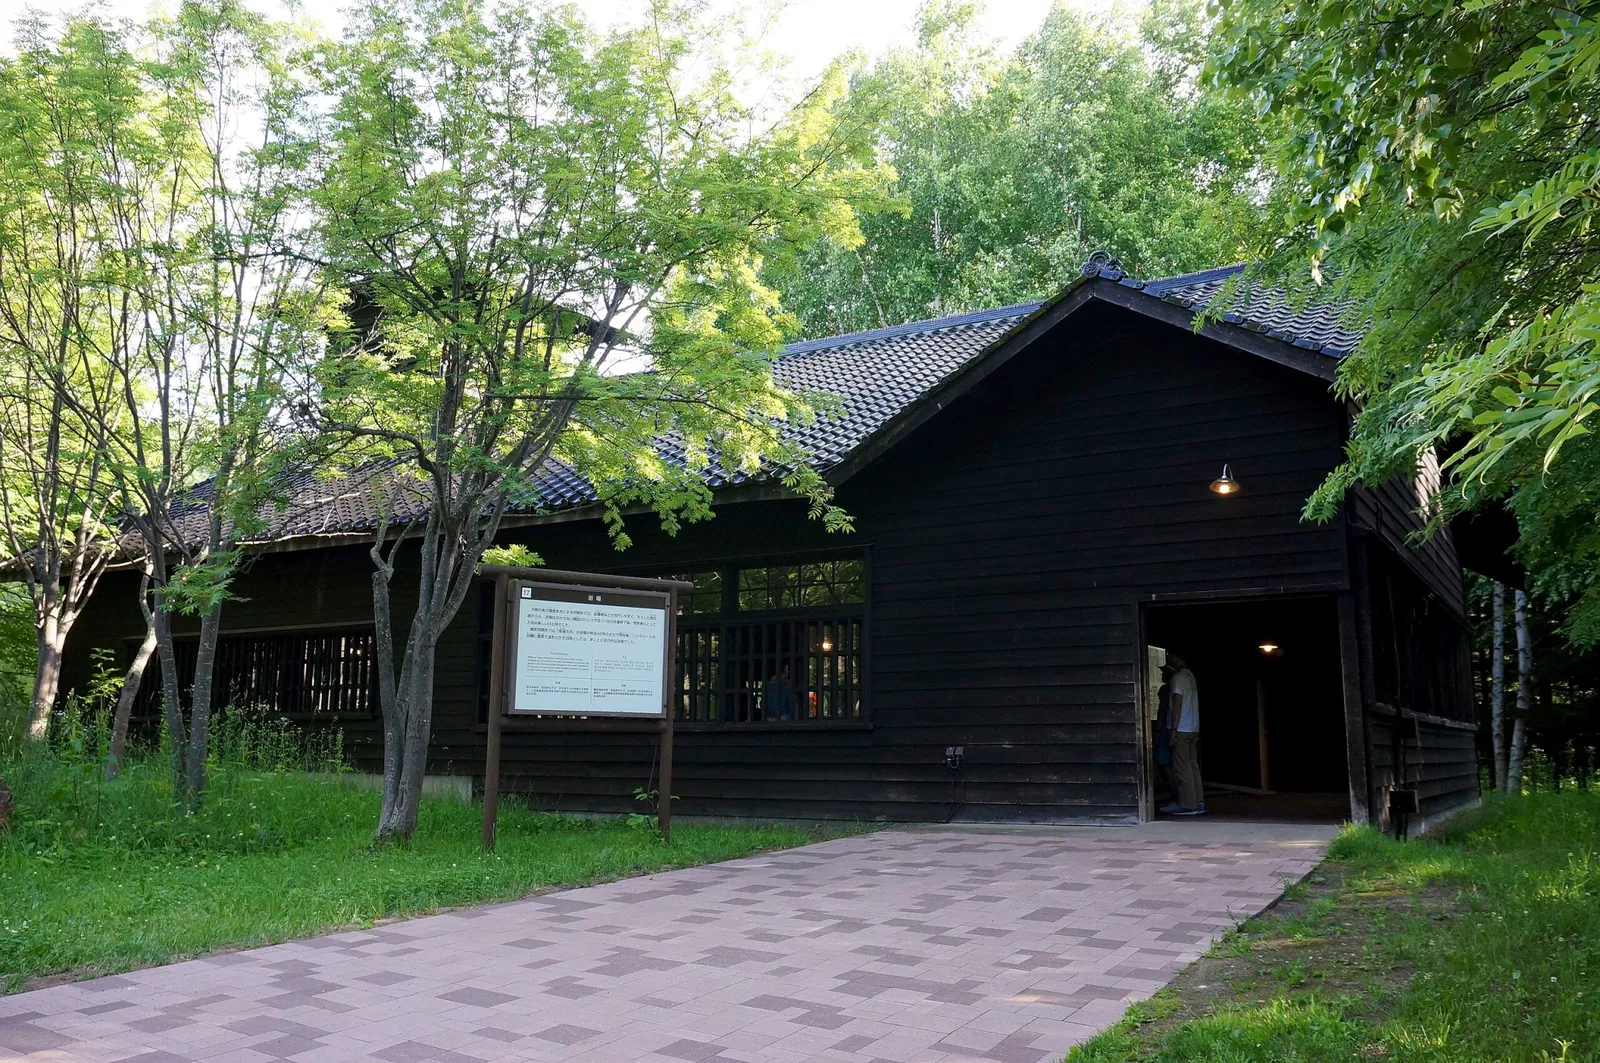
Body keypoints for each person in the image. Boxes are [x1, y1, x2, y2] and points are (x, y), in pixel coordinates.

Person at [1162, 653, 1204, 815]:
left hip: (1181, 728)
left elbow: (1177, 706)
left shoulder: (1178, 679)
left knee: (1181, 768)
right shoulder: (1190, 677)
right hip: (1193, 728)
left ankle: (1188, 805)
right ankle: (1199, 802)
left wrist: (1173, 730)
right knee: (1192, 765)